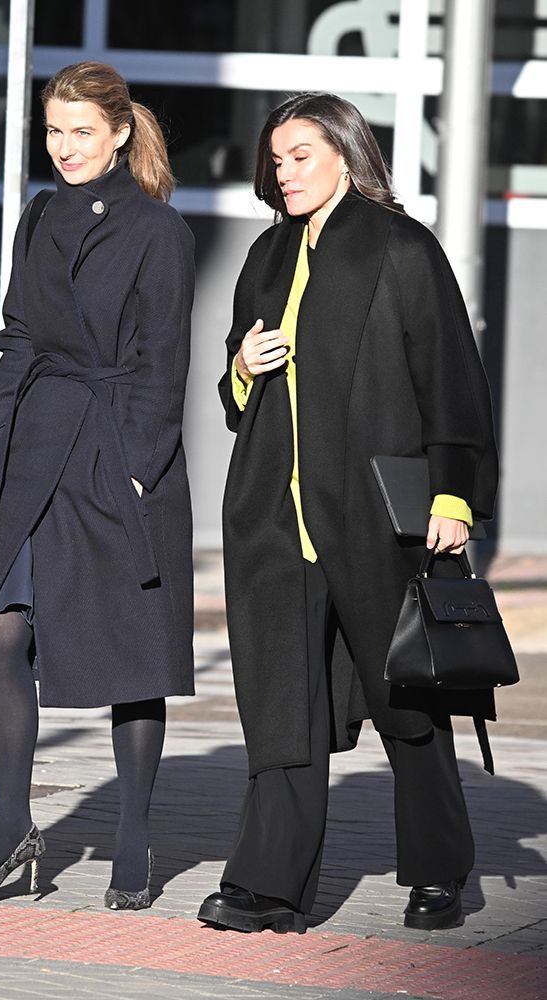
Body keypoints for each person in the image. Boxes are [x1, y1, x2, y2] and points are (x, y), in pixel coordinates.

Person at [197, 93, 499, 934]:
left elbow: (453, 381)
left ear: (344, 153)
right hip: (273, 518)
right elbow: (234, 391)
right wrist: (243, 367)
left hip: (372, 518)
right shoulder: (264, 255)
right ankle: (267, 887)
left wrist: (452, 496)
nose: (284, 170)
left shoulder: (402, 248)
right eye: (277, 157)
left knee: (406, 696)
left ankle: (438, 871)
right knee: (278, 706)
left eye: (301, 153)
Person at [0, 61, 195, 908]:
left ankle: (133, 836)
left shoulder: (159, 232)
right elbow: (17, 329)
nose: (65, 147)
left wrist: (136, 462)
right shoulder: (39, 216)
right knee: (3, 636)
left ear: (120, 131)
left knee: (130, 653)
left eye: (81, 130)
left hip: (116, 451)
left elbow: (163, 362)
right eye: (54, 131)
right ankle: (10, 826)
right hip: (35, 443)